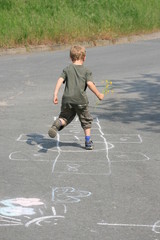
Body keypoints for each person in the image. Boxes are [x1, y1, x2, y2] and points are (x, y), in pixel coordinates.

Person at [48, 45, 104, 150]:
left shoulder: (67, 69)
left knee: (65, 117)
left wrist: (55, 94)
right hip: (81, 100)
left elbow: (60, 80)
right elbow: (90, 83)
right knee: (86, 120)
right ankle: (88, 141)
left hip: (67, 99)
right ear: (84, 57)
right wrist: (98, 94)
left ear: (70, 57)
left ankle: (58, 122)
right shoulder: (86, 70)